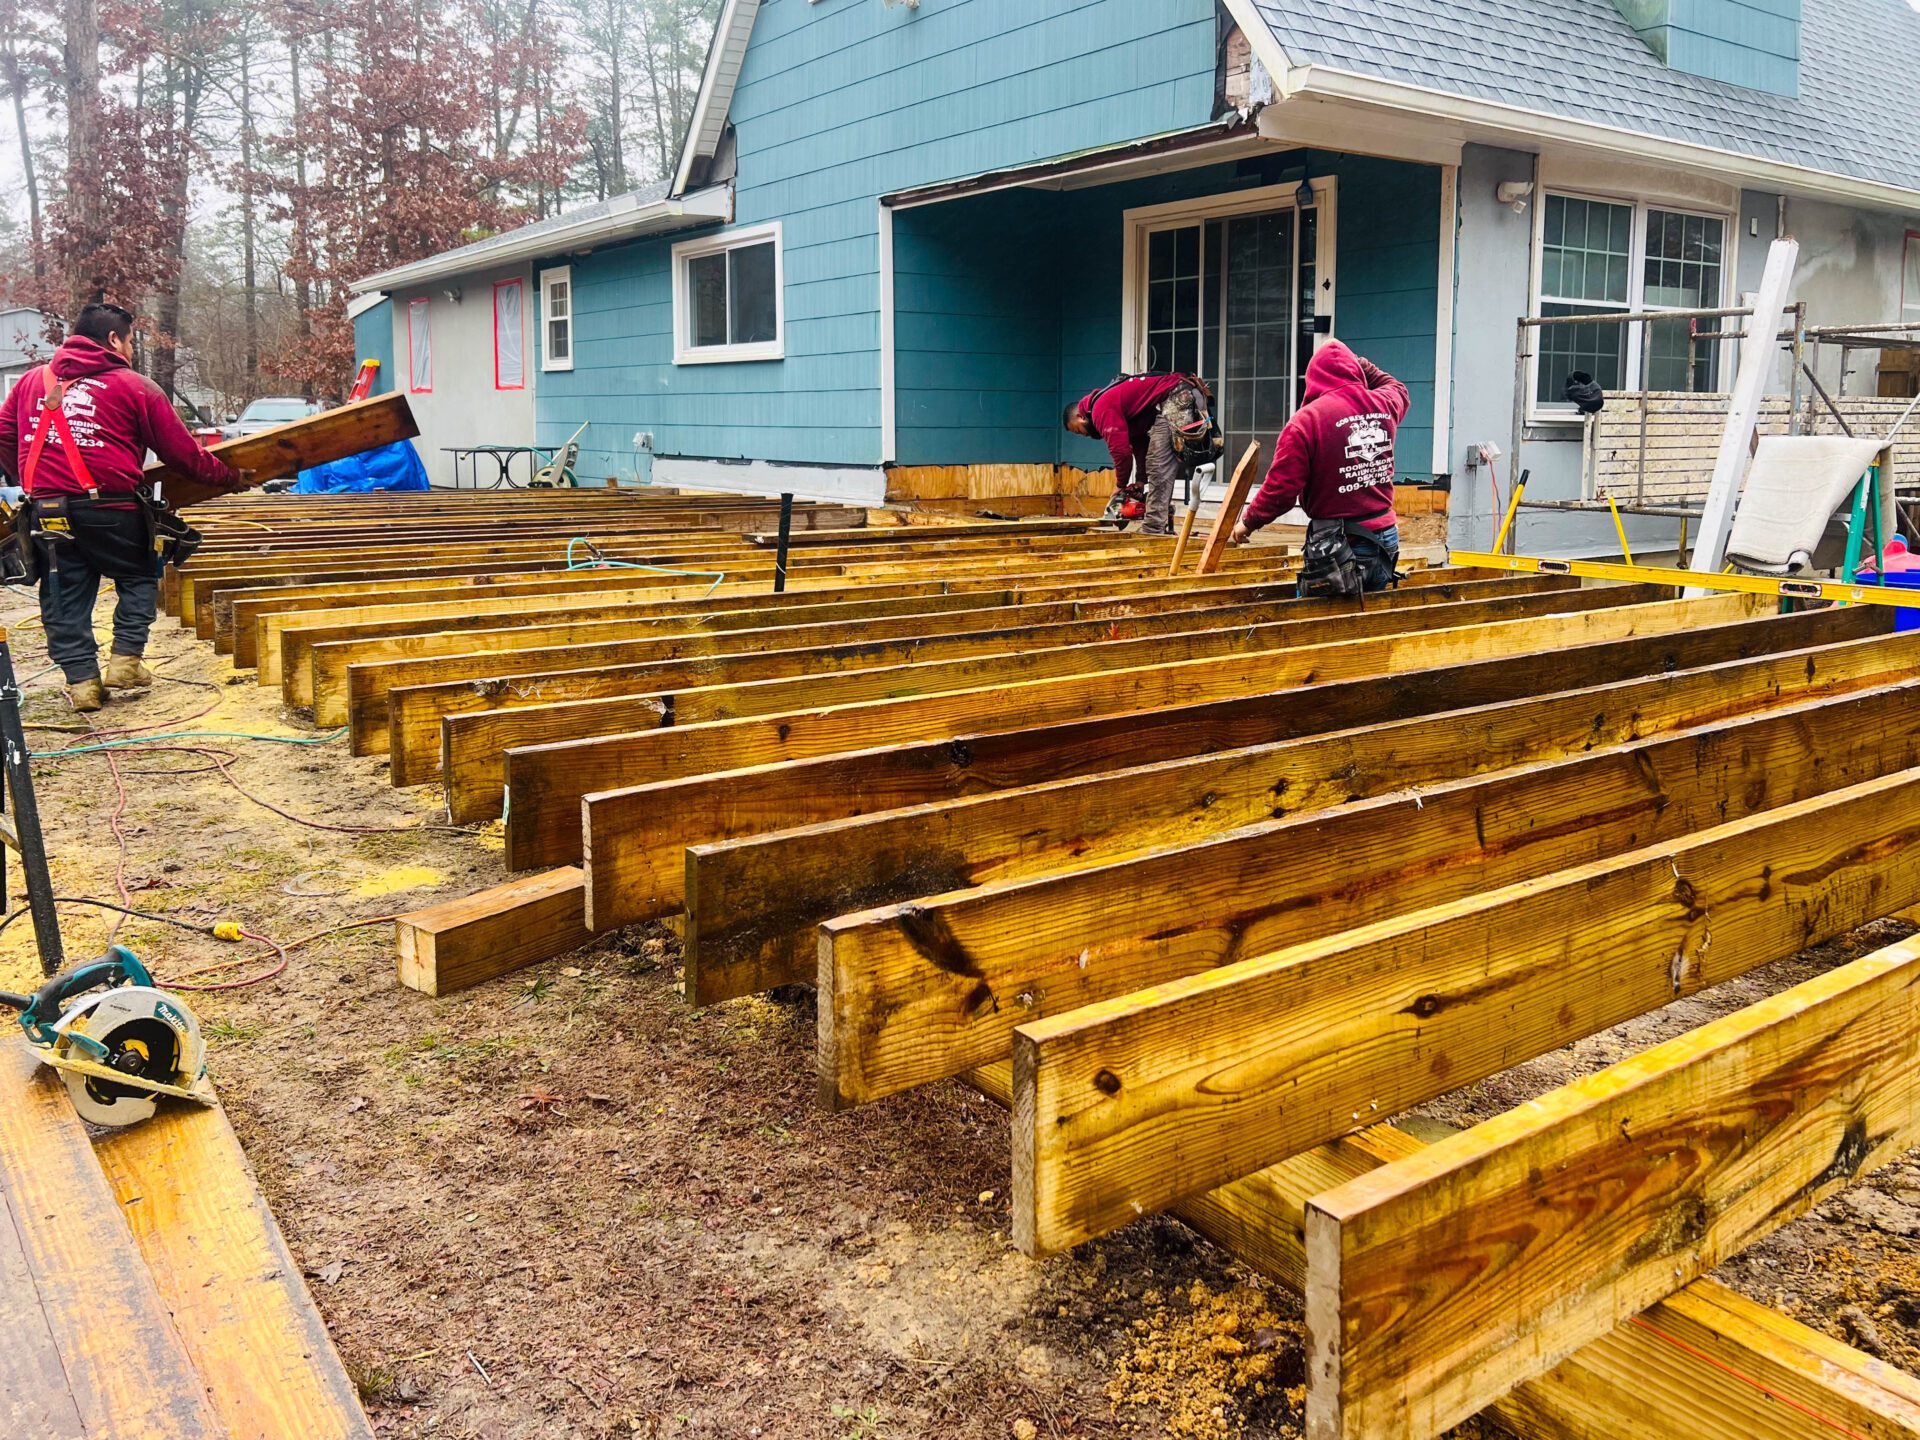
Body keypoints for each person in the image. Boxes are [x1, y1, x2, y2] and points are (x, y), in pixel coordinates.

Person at [0, 303, 240, 712]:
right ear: (114, 339)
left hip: (48, 509)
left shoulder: (29, 383)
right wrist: (230, 477)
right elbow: (182, 453)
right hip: (111, 507)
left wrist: (33, 480)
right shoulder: (135, 386)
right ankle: (126, 660)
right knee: (140, 572)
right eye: (129, 342)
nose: (130, 350)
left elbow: (4, 436)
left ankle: (82, 684)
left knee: (62, 592)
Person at [1229, 340, 1408, 592]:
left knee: (1316, 626)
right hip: (1386, 540)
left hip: (1339, 547)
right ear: (1354, 371)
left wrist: (1248, 523)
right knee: (1367, 623)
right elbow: (1395, 386)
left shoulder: (1307, 422)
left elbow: (1280, 491)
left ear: (1312, 378)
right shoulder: (1383, 404)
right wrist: (1360, 364)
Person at [1064, 373, 1213, 536]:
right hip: (1176, 396)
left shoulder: (1100, 409)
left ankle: (1152, 529)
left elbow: (1121, 452)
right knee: (1157, 463)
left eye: (1078, 430)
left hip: (1176, 395)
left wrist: (1120, 486)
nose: (1083, 435)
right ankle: (1159, 519)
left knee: (1158, 466)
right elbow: (1140, 444)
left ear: (1080, 416)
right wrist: (1141, 480)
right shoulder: (1111, 407)